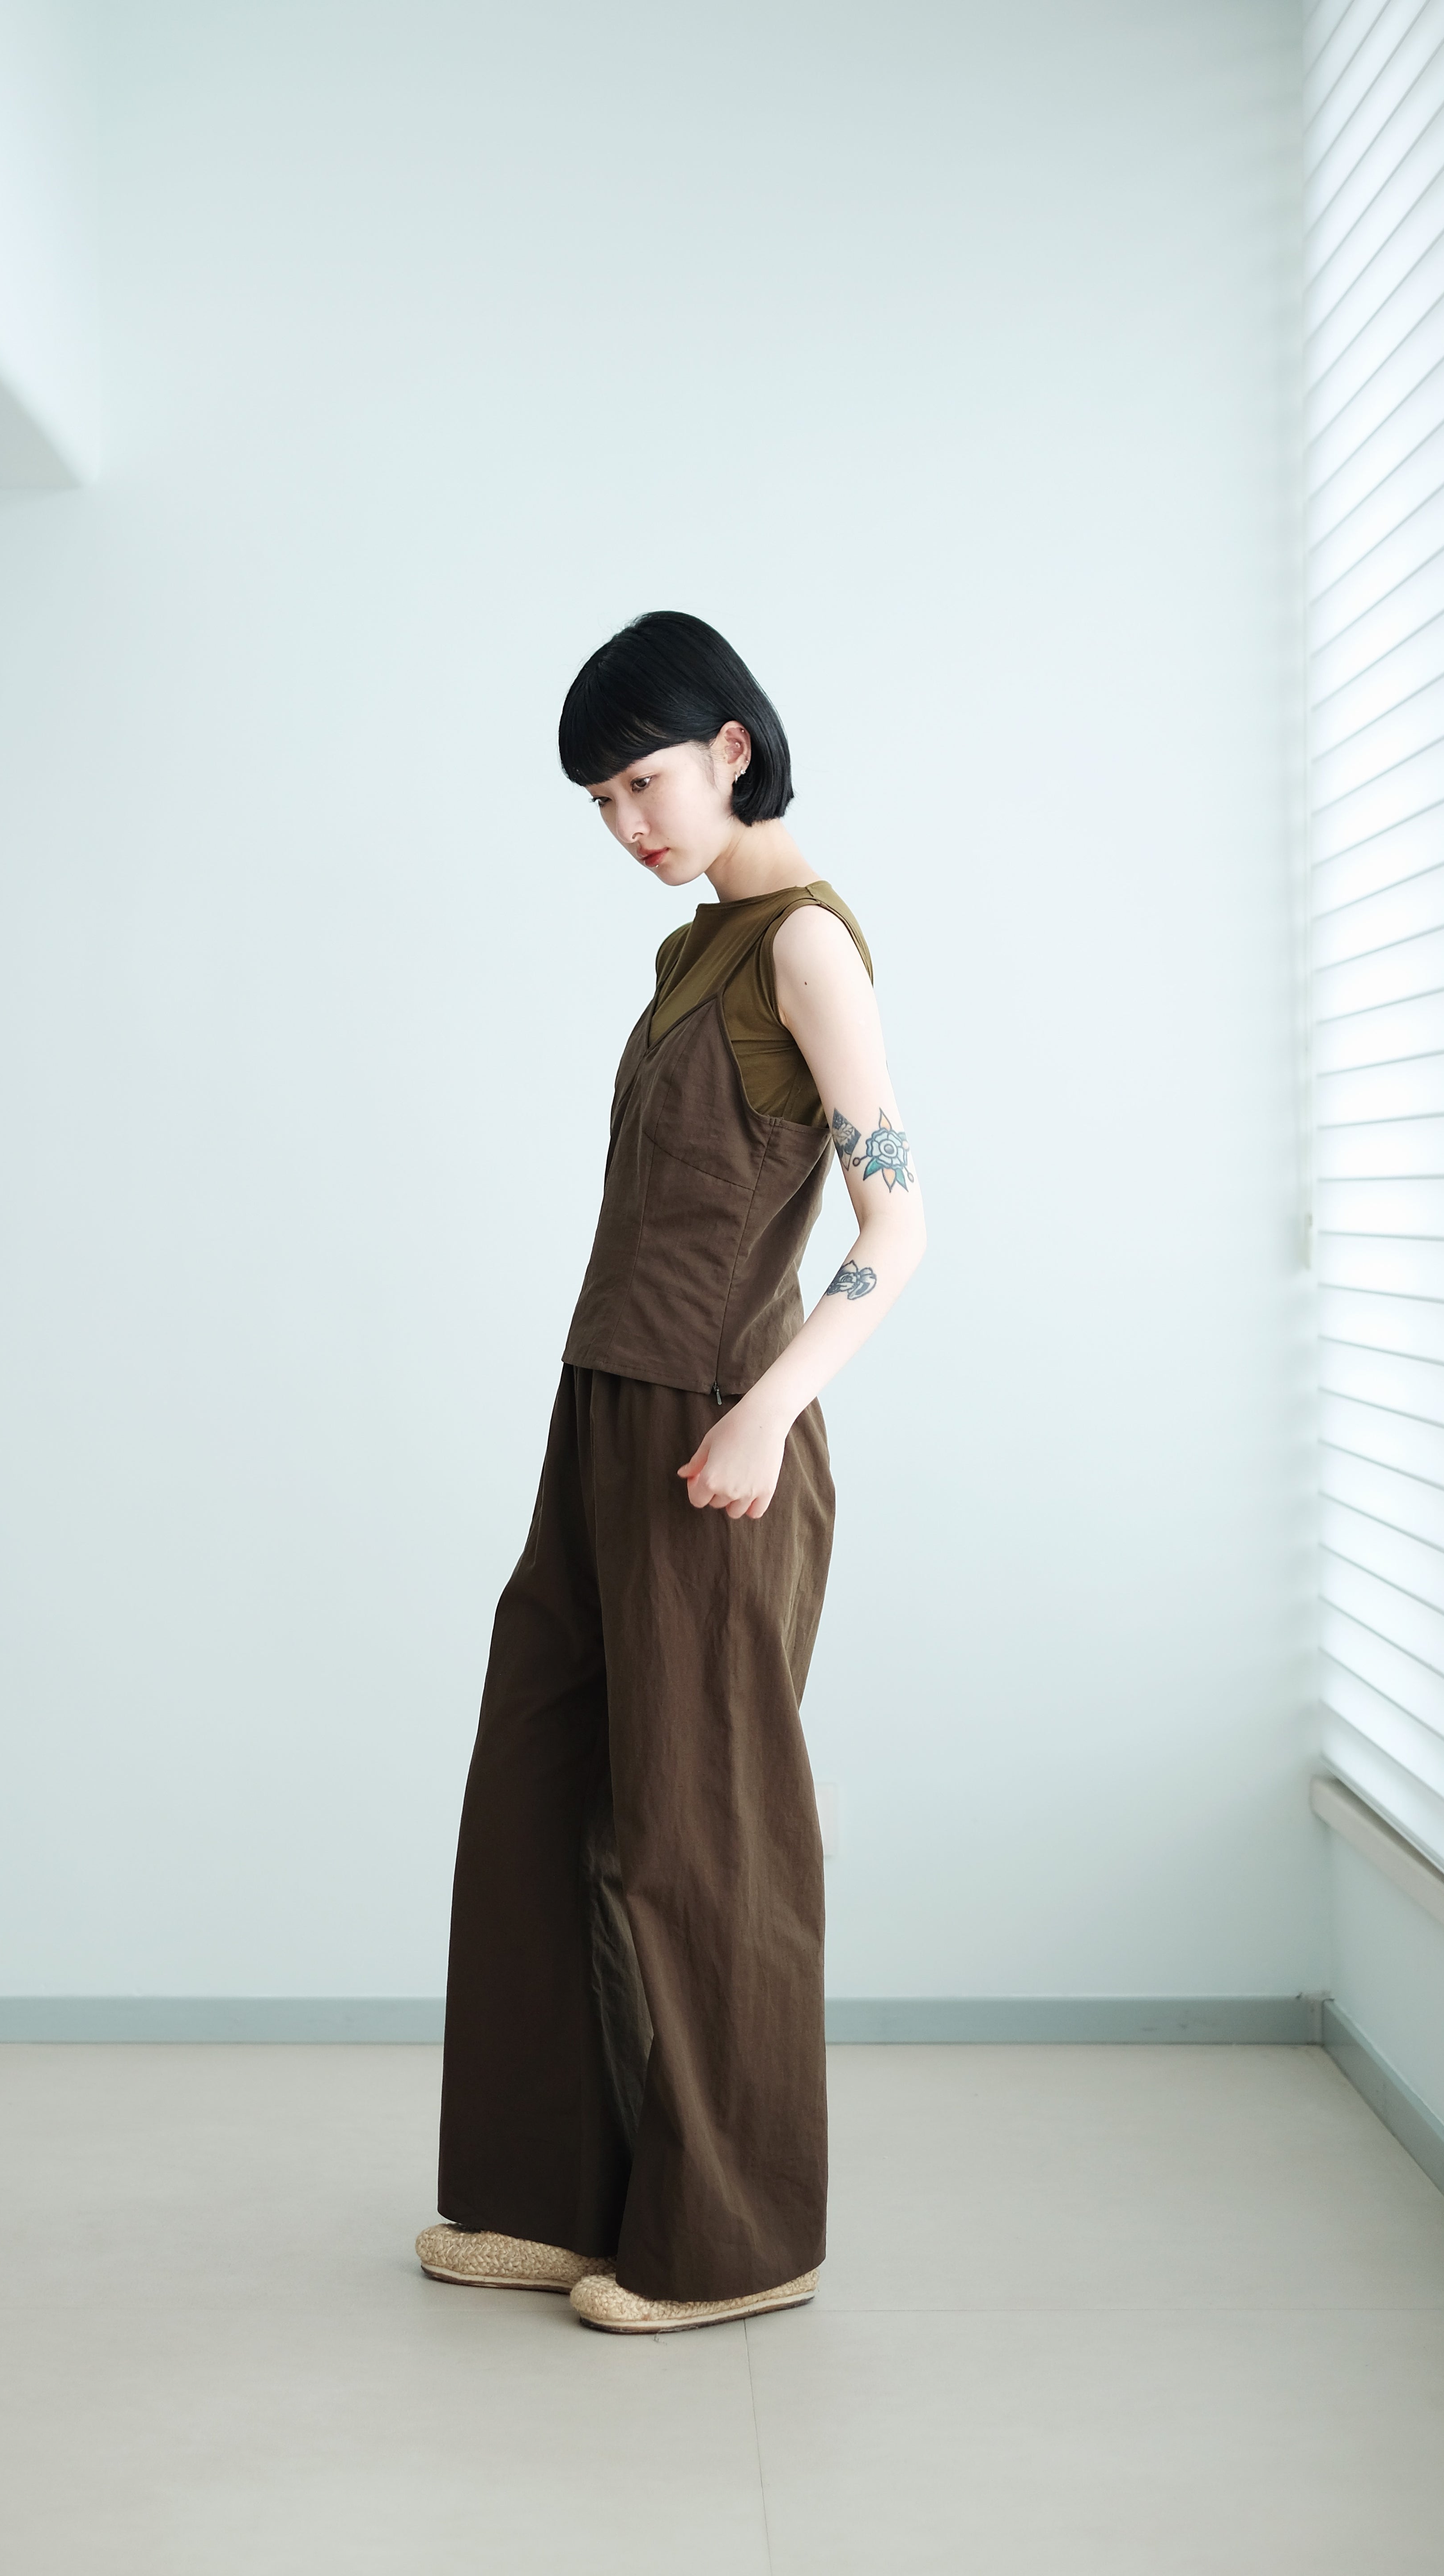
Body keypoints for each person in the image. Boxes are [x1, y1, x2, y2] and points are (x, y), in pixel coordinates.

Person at [414, 610, 926, 2334]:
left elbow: (898, 1225)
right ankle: (553, 2197)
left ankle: (739, 2243)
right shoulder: (693, 952)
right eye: (600, 802)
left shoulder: (809, 948)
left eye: (642, 781)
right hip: (603, 1413)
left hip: (717, 1433)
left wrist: (770, 1411)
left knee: (701, 1835)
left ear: (731, 747)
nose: (626, 823)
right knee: (542, 1782)